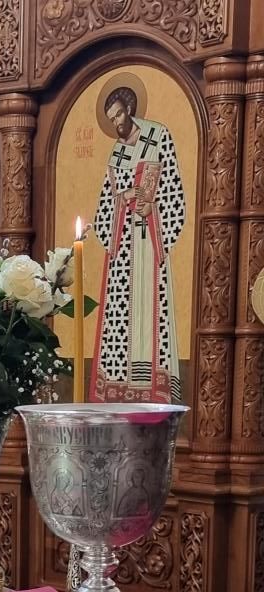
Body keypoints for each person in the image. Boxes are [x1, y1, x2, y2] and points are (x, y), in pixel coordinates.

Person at [90, 86, 185, 404]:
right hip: (124, 247)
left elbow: (173, 188)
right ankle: (121, 387)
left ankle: (153, 387)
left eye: (119, 114)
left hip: (151, 242)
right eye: (111, 118)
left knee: (151, 309)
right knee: (123, 314)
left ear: (129, 109)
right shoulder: (116, 153)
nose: (116, 122)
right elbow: (106, 203)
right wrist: (124, 199)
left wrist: (152, 207)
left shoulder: (158, 136)